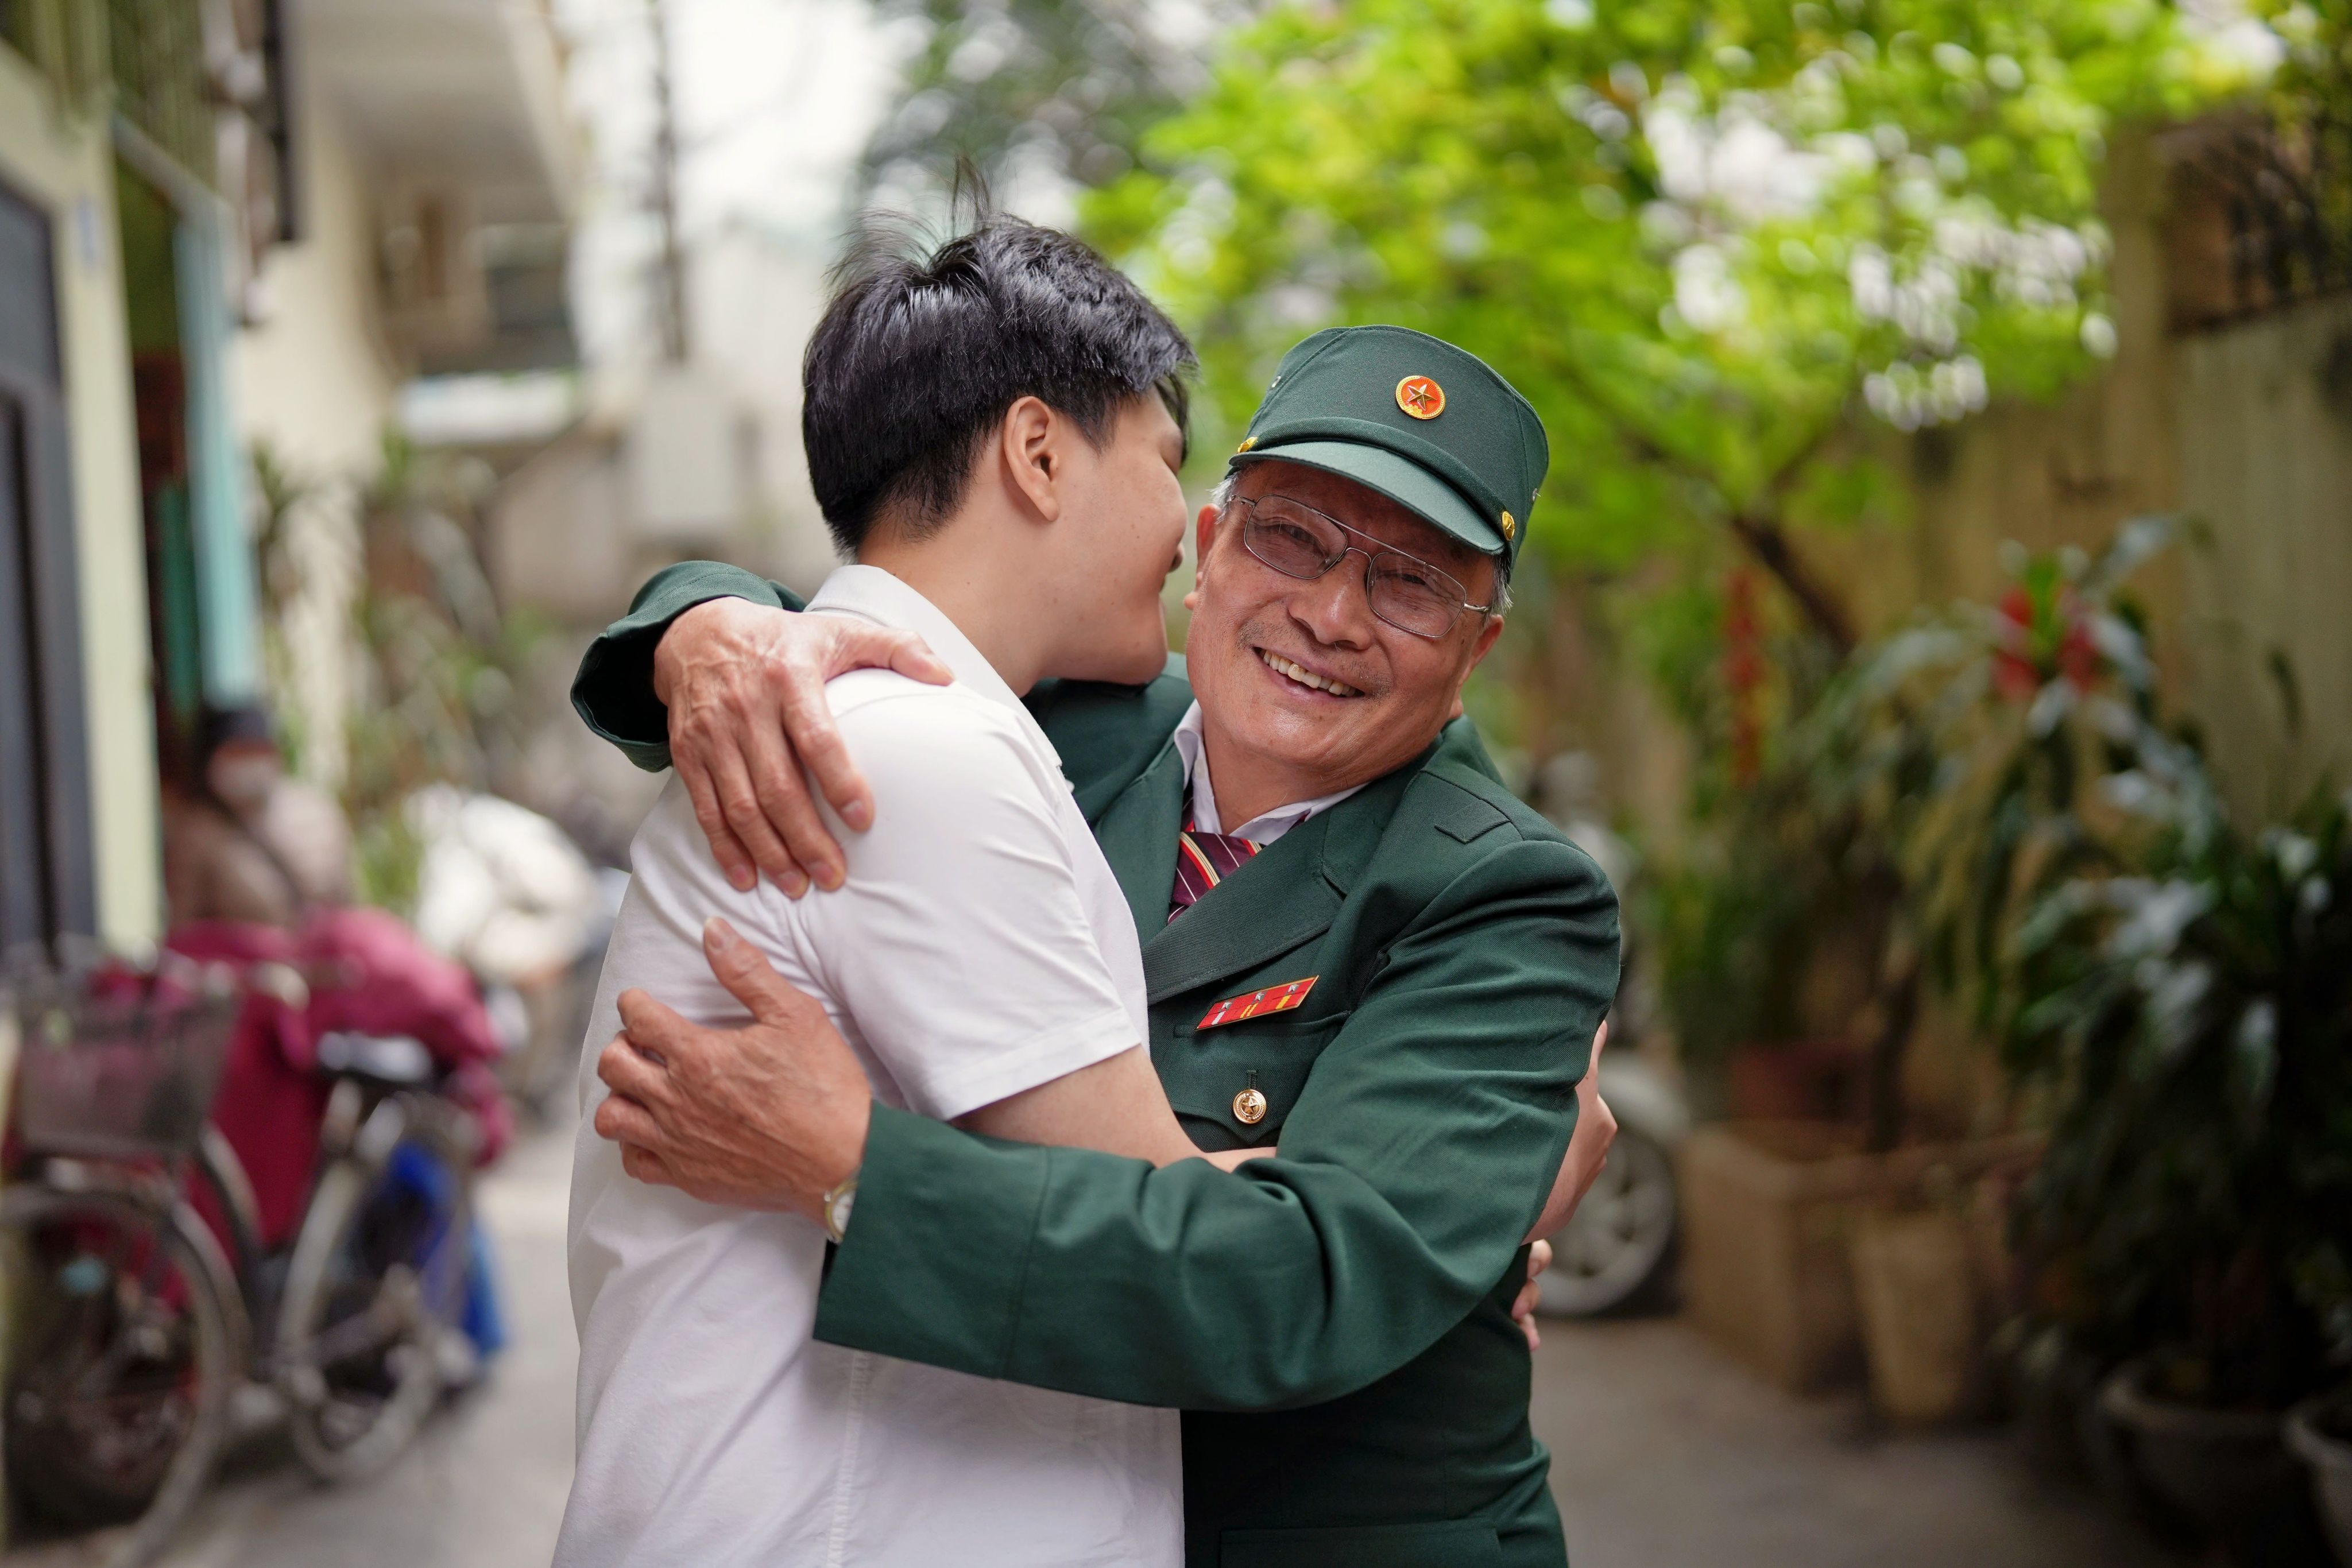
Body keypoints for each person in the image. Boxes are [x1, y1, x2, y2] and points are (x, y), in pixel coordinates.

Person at [574, 305, 1621, 1565]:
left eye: (1410, 583)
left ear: (1475, 647)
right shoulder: (1052, 724)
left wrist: (851, 1169)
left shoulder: (1503, 896)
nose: (1333, 615)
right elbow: (863, 620)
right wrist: (705, 630)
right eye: (1293, 538)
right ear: (1209, 547)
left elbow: (1302, 1287)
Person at [560, 217, 1295, 1568]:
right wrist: (1460, 1205)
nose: (1188, 533)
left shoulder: (879, 717)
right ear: (1037, 453)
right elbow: (1170, 1245)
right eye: (1165, 461)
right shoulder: (906, 751)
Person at [161, 703, 351, 928]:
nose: (249, 763)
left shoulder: (318, 812)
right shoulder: (195, 834)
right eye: (237, 753)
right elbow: (184, 924)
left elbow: (345, 901)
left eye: (257, 751)